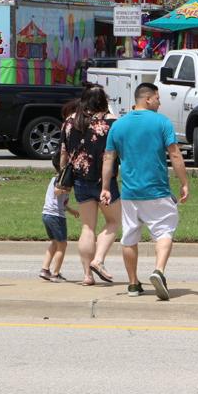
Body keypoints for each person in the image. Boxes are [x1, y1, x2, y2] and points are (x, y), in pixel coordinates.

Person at [100, 83, 190, 301]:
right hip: (157, 190)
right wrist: (184, 182)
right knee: (164, 232)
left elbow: (108, 158)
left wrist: (104, 187)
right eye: (158, 98)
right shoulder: (161, 122)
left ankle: (132, 284)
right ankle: (158, 270)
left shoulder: (118, 125)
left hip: (130, 192)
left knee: (129, 237)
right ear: (147, 99)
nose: (160, 102)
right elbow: (175, 155)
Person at [60, 86, 122, 286]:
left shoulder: (70, 122)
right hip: (105, 180)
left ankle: (87, 275)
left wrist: (63, 179)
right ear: (103, 100)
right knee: (113, 221)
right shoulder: (111, 122)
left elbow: (63, 153)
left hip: (79, 179)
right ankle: (99, 259)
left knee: (87, 227)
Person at [41, 150, 80, 282]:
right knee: (62, 245)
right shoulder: (60, 178)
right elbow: (57, 191)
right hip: (55, 216)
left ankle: (45, 269)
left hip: (47, 214)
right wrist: (66, 188)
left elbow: (59, 202)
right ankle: (55, 274)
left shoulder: (57, 177)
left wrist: (71, 210)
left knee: (54, 243)